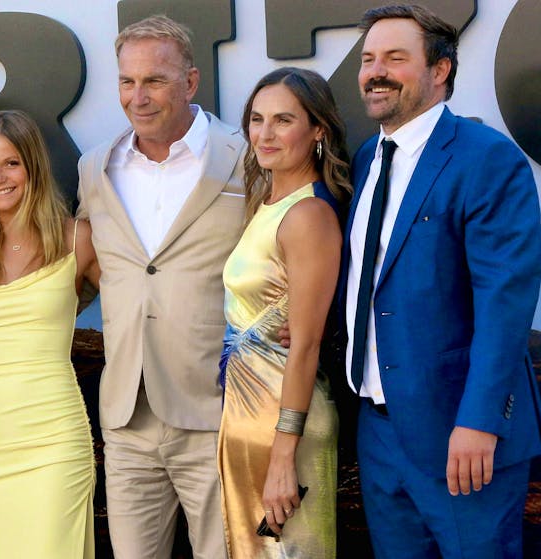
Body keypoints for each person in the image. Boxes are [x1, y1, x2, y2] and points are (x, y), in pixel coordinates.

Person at [341, 5, 541, 558]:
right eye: (368, 59)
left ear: (441, 71)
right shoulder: (366, 159)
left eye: (396, 58)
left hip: (462, 434)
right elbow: (371, 281)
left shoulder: (486, 158)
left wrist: (479, 421)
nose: (375, 71)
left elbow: (505, 301)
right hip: (379, 432)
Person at [74, 14, 246, 559]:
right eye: (127, 81)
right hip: (126, 417)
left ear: (190, 82)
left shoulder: (245, 157)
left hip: (215, 412)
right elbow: (106, 268)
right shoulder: (95, 167)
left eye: (154, 81)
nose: (137, 96)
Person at [216, 67, 350, 558]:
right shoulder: (268, 203)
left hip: (285, 430)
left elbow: (308, 343)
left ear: (318, 130)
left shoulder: (309, 215)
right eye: (256, 119)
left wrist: (283, 455)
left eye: (283, 120)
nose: (265, 134)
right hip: (246, 420)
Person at [0, 109, 100, 558]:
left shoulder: (77, 238)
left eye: (11, 163)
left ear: (33, 167)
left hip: (54, 437)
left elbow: (138, 307)